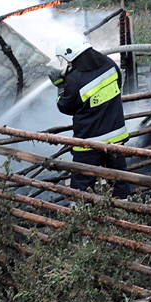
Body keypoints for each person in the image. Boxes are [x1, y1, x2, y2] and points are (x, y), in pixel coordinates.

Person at [48, 40, 131, 198]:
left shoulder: (74, 79)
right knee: (118, 179)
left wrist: (60, 86)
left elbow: (65, 107)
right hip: (116, 136)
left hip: (89, 140)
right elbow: (117, 87)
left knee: (82, 183)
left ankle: (80, 215)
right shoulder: (110, 64)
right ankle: (125, 211)